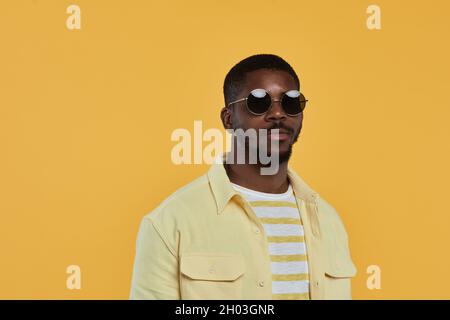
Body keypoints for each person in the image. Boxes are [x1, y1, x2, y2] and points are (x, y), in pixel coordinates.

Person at [130, 54, 356, 300]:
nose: (278, 113)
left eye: (291, 102)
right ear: (228, 118)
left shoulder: (328, 221)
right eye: (258, 102)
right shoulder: (169, 223)